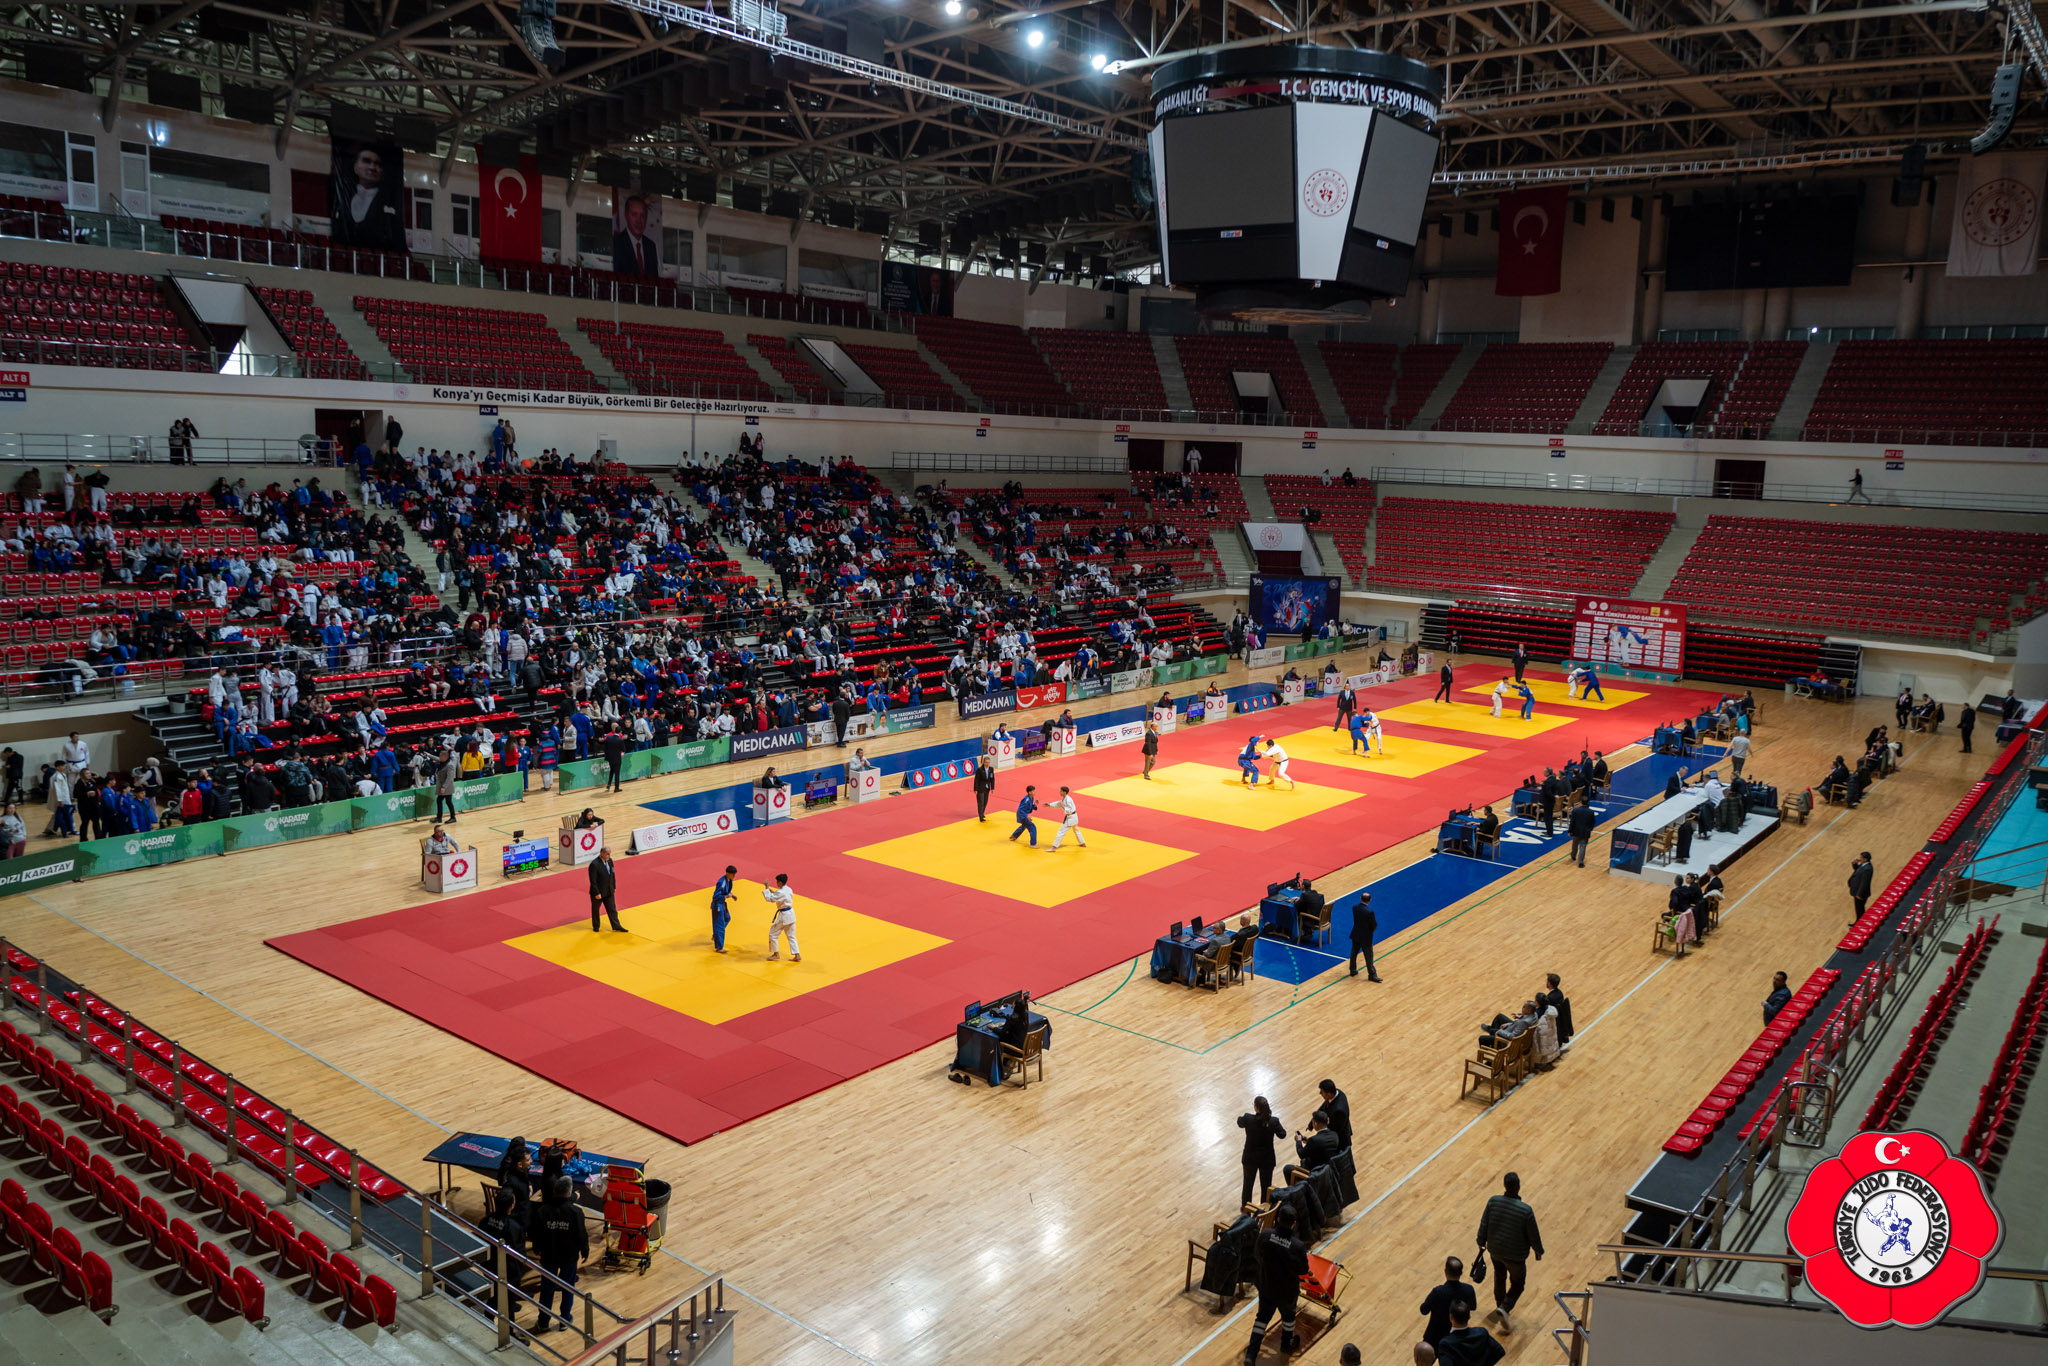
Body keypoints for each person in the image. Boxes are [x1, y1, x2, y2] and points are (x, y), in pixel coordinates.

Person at [1475, 1172, 1542, 1335]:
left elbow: (1484, 1223)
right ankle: (1504, 1308)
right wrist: (1538, 1250)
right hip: (1516, 1255)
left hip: (1495, 1250)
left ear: (1505, 1185)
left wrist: (1481, 1241)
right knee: (1518, 1284)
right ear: (1518, 1186)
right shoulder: (1525, 1211)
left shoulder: (1493, 1202)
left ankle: (1500, 1305)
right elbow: (1533, 1234)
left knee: (1499, 1276)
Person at [1243, 1205, 1309, 1363]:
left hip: (1266, 1287)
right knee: (1288, 1318)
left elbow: (1257, 1255)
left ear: (1278, 1219)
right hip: (1287, 1292)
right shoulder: (1297, 1246)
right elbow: (1303, 1269)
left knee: (1261, 1319)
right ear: (1294, 1223)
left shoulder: (1265, 1235)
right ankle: (1286, 1345)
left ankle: (1251, 1354)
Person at [529, 1175, 590, 1334]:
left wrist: (536, 1248)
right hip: (569, 1256)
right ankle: (564, 1320)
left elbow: (536, 1233)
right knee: (567, 1288)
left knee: (547, 1289)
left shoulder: (543, 1211)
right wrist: (585, 1250)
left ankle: (543, 1321)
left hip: (548, 1255)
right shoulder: (576, 1212)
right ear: (569, 1192)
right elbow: (581, 1234)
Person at [331, 140, 407, 251]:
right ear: (355, 167)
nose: (372, 167)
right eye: (366, 161)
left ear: (382, 172)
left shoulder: (390, 203)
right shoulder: (341, 201)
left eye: (378, 164)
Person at [1419, 1256, 1478, 1355]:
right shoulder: (1469, 1290)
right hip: (1457, 1337)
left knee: (1426, 1359)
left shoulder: (1438, 1292)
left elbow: (1423, 1310)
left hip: (1434, 1337)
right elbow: (1473, 1307)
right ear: (1461, 1273)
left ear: (1445, 1271)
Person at [1236, 1096, 1285, 1207]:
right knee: (1266, 1187)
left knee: (1247, 1186)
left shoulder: (1248, 1118)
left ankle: (1246, 1210)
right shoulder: (1273, 1121)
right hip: (1266, 1159)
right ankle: (1264, 1209)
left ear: (1256, 1108)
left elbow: (1239, 1122)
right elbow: (1282, 1134)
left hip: (1250, 1158)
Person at [1432, 1302, 1504, 1366]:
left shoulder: (1446, 1344)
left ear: (1451, 1317)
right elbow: (1499, 1351)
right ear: (1469, 1316)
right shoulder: (1481, 1332)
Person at [611, 193, 661, 276]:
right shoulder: (617, 243)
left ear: (646, 218)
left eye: (642, 216)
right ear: (626, 216)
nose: (639, 221)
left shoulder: (651, 246)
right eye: (634, 215)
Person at [763, 871, 800, 961]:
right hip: (791, 914)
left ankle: (775, 954)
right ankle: (797, 955)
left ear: (780, 882)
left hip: (784, 916)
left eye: (777, 882)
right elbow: (780, 896)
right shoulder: (788, 889)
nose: (776, 883)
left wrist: (766, 888)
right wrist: (772, 891)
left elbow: (769, 899)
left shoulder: (780, 892)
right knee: (791, 936)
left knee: (773, 934)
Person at [587, 847, 625, 932]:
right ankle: (596, 926)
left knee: (612, 909)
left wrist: (613, 886)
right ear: (601, 853)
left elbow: (612, 874)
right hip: (598, 892)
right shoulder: (594, 864)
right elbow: (593, 881)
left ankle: (616, 926)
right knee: (596, 909)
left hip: (609, 890)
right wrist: (596, 893)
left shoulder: (610, 861)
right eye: (607, 854)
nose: (609, 856)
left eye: (609, 854)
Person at [1348, 891, 1380, 981]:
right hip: (1366, 937)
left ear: (1360, 898)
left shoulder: (1355, 908)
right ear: (1370, 900)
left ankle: (1352, 970)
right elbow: (1373, 925)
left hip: (1356, 934)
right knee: (1368, 956)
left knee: (1354, 953)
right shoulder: (1370, 912)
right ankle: (1372, 974)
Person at [1315, 1078, 1352, 1151]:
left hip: (1340, 1141)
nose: (1320, 1093)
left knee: (1342, 1156)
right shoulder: (1337, 1093)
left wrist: (1319, 1131)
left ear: (1328, 1094)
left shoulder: (1339, 1110)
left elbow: (1334, 1129)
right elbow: (1324, 1106)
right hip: (1336, 1133)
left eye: (1322, 1092)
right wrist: (1314, 1120)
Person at [1047, 785, 1087, 851]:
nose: (1059, 792)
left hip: (1071, 818)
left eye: (1061, 791)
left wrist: (1063, 807)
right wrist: (1050, 805)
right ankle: (1082, 843)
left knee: (1061, 832)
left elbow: (1070, 809)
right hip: (1073, 817)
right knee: (1076, 830)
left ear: (1064, 792)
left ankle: (1054, 847)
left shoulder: (1068, 800)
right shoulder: (1065, 799)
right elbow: (1059, 803)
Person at [1541, 973, 1573, 1047]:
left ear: (1549, 984)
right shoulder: (1560, 992)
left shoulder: (1550, 998)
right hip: (1561, 1020)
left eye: (1547, 981)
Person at [711, 864, 735, 953]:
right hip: (717, 904)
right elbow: (716, 896)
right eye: (733, 874)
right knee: (720, 925)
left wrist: (732, 895)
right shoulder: (721, 882)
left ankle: (716, 935)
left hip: (722, 903)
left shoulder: (729, 880)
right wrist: (726, 896)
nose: (734, 876)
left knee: (727, 918)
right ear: (728, 873)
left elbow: (727, 891)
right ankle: (719, 947)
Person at [1566, 798, 1595, 868]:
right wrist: (1590, 829)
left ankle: (1573, 856)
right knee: (1583, 847)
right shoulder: (1591, 812)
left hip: (1576, 831)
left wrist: (1570, 831)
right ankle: (1580, 862)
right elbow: (1592, 823)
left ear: (1581, 802)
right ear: (1588, 802)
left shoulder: (1575, 810)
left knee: (1574, 844)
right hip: (1585, 832)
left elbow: (1572, 822)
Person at [434, 749, 460, 823]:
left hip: (447, 787)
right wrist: (428, 755)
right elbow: (436, 758)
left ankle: (453, 817)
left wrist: (444, 787)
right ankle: (439, 817)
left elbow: (450, 777)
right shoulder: (443, 762)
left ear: (444, 757)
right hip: (443, 787)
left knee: (448, 802)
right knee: (439, 800)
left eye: (440, 756)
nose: (439, 757)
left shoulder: (450, 765)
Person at [1847, 851, 1874, 922]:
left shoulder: (1868, 869)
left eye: (1861, 858)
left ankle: (1860, 923)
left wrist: (1859, 894)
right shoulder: (1864, 865)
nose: (1860, 859)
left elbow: (1864, 883)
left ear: (1865, 859)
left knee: (1860, 909)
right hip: (1857, 891)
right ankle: (1858, 922)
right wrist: (1854, 864)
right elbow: (1857, 870)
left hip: (1861, 893)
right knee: (1858, 909)